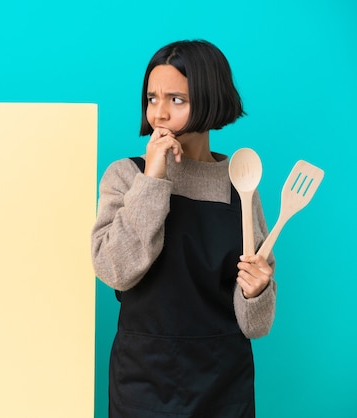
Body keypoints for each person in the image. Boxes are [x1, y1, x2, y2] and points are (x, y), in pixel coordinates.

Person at [91, 40, 277, 418]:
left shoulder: (240, 184)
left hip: (223, 381)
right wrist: (154, 177)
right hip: (143, 380)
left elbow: (255, 325)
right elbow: (115, 271)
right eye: (152, 98)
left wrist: (258, 291)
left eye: (176, 99)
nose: (159, 113)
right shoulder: (126, 176)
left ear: (210, 99)